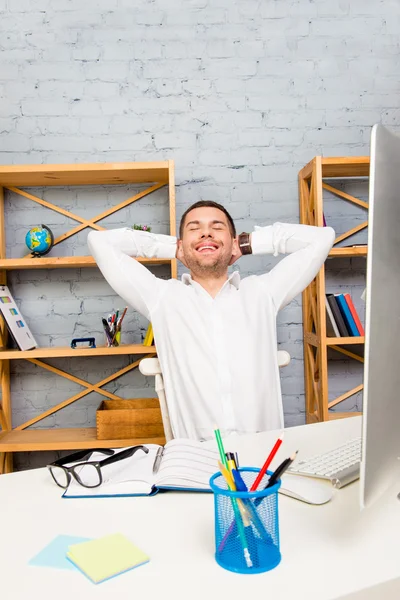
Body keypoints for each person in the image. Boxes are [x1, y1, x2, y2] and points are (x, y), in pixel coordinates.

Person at [88, 201, 335, 440]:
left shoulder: (263, 292)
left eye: (217, 228)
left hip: (263, 458)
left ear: (233, 241)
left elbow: (323, 238)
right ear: (182, 244)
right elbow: (98, 242)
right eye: (194, 229)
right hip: (197, 462)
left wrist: (250, 243)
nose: (206, 233)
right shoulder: (162, 297)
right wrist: (172, 249)